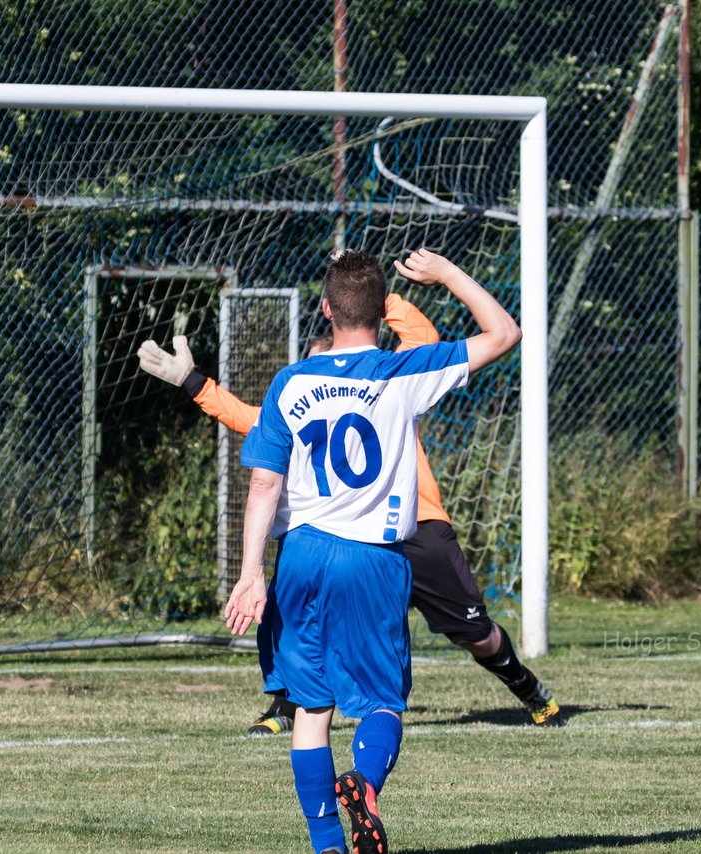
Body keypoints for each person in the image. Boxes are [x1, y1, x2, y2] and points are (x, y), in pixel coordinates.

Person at [139, 296, 562, 738]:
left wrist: (367, 296)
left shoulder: (389, 381)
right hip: (338, 537)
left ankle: (527, 686)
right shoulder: (301, 393)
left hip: (413, 529)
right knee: (304, 616)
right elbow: (252, 419)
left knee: (474, 633)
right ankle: (285, 706)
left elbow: (424, 339)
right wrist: (191, 381)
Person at [218, 248, 519, 854]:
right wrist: (445, 275)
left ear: (325, 308)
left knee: (309, 705)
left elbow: (263, 483)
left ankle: (328, 845)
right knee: (382, 701)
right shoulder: (400, 373)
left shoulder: (291, 380)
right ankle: (366, 781)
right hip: (372, 559)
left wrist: (251, 572)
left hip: (300, 555)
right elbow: (504, 333)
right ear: (384, 312)